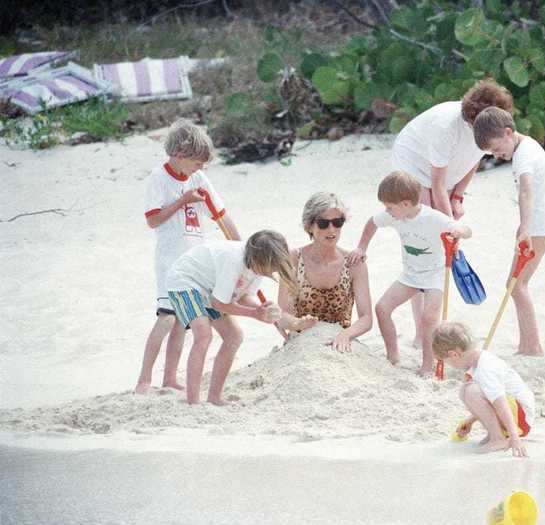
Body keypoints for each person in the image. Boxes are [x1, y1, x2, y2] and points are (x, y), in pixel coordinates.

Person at [390, 80, 513, 348]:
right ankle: (422, 334)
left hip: (443, 175)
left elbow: (475, 157)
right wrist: (448, 226)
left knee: (439, 237)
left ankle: (429, 326)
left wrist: (458, 195)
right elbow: (434, 185)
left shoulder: (489, 128)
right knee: (424, 243)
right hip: (414, 168)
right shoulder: (446, 128)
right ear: (470, 119)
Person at [135, 119, 241, 394]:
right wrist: (183, 201)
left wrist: (242, 249)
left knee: (184, 321)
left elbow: (221, 215)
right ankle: (144, 379)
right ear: (178, 155)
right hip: (170, 261)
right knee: (167, 318)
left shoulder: (198, 177)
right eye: (197, 162)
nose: (201, 168)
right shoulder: (158, 179)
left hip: (196, 263)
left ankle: (170, 377)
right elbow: (153, 221)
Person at [348, 171, 471, 376]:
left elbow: (466, 229)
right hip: (410, 275)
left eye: (389, 207)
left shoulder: (432, 218)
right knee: (382, 308)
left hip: (435, 275)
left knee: (429, 317)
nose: (386, 211)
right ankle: (393, 355)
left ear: (405, 204)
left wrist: (459, 232)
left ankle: (427, 365)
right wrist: (361, 247)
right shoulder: (394, 216)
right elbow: (371, 223)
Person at [473, 106, 545, 357]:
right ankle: (527, 346)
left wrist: (525, 227)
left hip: (540, 227)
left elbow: (526, 190)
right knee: (515, 284)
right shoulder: (527, 147)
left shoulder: (524, 156)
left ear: (508, 133)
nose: (498, 155)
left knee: (517, 285)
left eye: (498, 149)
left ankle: (533, 348)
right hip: (540, 226)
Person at [166, 230, 290, 405]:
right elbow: (219, 303)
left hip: (210, 288)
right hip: (185, 280)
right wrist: (255, 314)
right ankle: (193, 402)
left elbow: (244, 297)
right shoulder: (234, 261)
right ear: (258, 259)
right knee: (203, 334)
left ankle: (214, 397)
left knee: (234, 336)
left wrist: (263, 309)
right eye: (269, 267)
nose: (270, 272)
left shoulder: (257, 268)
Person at [278, 192, 372, 351]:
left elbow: (366, 318)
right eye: (323, 223)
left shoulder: (353, 263)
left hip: (341, 343)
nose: (332, 229)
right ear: (309, 226)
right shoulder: (293, 259)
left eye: (338, 222)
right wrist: (298, 323)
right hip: (301, 344)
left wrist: (346, 335)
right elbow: (282, 315)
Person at [432, 321, 534, 457]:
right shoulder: (477, 362)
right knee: (466, 391)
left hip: (521, 419)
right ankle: (495, 434)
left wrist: (514, 436)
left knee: (469, 391)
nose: (449, 365)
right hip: (515, 414)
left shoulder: (485, 369)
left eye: (446, 361)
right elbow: (489, 399)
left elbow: (500, 402)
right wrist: (470, 420)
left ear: (454, 355)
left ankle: (498, 439)